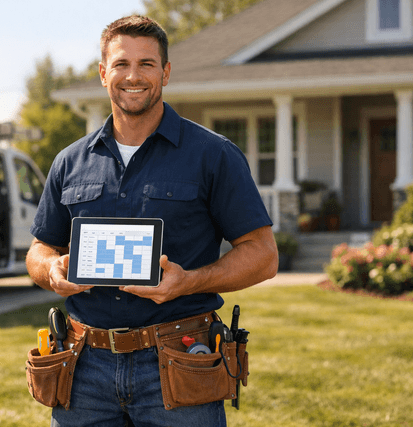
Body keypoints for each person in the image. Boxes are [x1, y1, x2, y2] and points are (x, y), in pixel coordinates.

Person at [26, 15, 278, 427]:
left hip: (180, 361)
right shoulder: (69, 161)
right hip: (83, 366)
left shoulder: (213, 154)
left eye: (147, 64)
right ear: (103, 73)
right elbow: (40, 249)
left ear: (166, 72)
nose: (133, 76)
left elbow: (263, 255)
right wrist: (51, 270)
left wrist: (190, 281)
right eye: (122, 64)